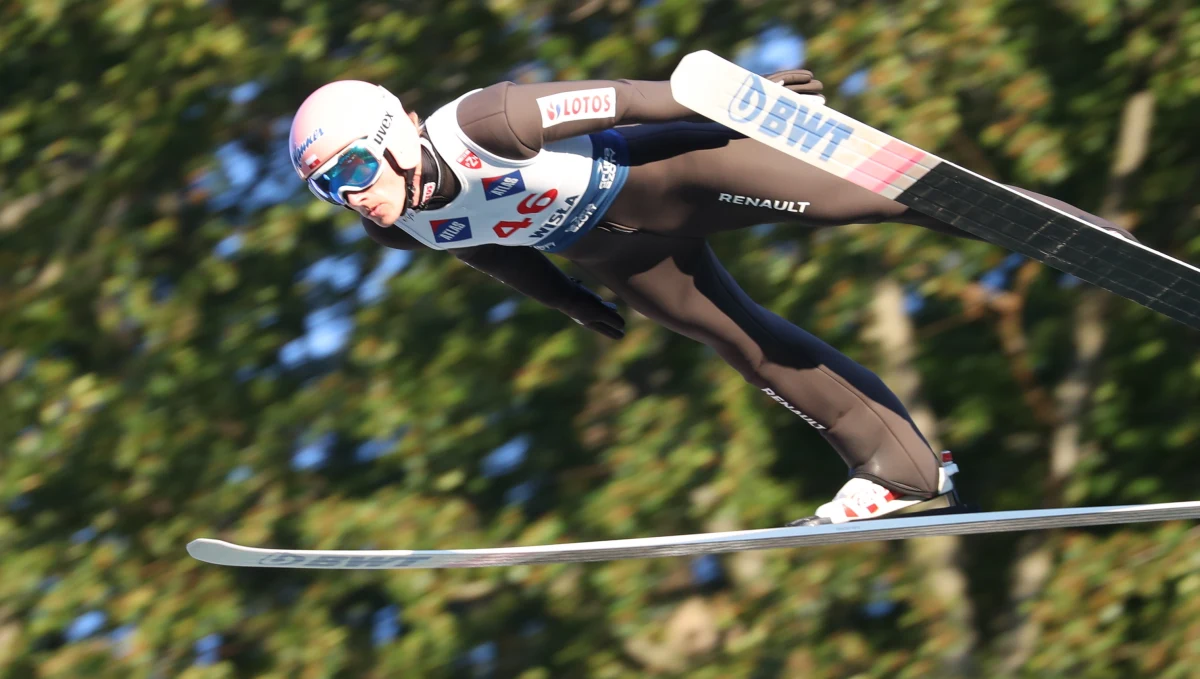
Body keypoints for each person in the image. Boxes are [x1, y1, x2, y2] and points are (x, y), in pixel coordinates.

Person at [287, 68, 1134, 526]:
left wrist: (745, 102)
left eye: (355, 170)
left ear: (395, 139)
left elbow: (618, 99)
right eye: (331, 190)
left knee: (882, 192)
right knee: (743, 342)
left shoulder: (485, 124)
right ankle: (904, 472)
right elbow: (488, 251)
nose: (353, 195)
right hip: (618, 258)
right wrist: (567, 302)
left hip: (669, 174)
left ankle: (1099, 244)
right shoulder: (395, 226)